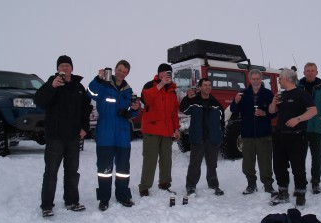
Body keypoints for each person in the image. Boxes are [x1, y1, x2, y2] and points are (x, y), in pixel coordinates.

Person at [35, 55, 91, 217]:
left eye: (67, 65)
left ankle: (72, 201)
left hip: (73, 137)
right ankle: (47, 205)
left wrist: (84, 128)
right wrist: (51, 87)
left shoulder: (79, 87)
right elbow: (39, 100)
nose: (64, 68)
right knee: (51, 172)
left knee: (72, 172)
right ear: (57, 68)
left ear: (72, 68)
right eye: (62, 65)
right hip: (55, 137)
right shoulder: (51, 84)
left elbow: (86, 110)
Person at [87, 60, 139, 211]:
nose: (121, 73)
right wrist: (98, 79)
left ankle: (123, 196)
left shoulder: (128, 90)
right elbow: (90, 93)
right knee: (104, 170)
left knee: (123, 170)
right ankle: (104, 199)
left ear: (127, 73)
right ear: (115, 69)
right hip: (105, 133)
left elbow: (132, 111)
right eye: (120, 70)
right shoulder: (103, 85)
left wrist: (134, 109)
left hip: (122, 134)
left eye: (125, 71)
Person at [268, 68, 317, 206]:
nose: (278, 81)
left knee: (298, 167)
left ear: (287, 79)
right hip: (279, 136)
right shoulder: (280, 95)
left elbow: (313, 111)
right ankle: (283, 193)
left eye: (280, 79)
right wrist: (273, 102)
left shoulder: (302, 94)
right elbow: (272, 111)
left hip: (297, 137)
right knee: (279, 166)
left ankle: (300, 193)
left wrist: (298, 119)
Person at [230, 69, 276, 195]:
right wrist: (236, 101)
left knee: (265, 163)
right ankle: (251, 184)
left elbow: (274, 113)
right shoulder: (243, 94)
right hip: (247, 135)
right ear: (249, 80)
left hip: (264, 135)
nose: (256, 81)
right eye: (253, 79)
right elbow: (234, 110)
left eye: (258, 79)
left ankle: (268, 185)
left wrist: (264, 113)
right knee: (248, 164)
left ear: (261, 79)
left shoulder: (268, 94)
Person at [138, 63, 180, 197]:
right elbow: (146, 100)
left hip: (167, 132)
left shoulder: (173, 90)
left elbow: (174, 112)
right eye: (166, 72)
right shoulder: (150, 85)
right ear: (159, 73)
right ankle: (144, 187)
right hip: (152, 130)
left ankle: (165, 184)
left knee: (166, 160)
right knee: (150, 159)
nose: (168, 75)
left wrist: (176, 129)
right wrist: (160, 85)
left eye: (170, 73)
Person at [179, 78, 225, 196]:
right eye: (205, 85)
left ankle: (214, 185)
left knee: (212, 164)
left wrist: (220, 134)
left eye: (209, 85)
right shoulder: (193, 101)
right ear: (200, 87)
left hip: (212, 139)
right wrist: (186, 98)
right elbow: (183, 109)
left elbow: (222, 119)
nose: (208, 87)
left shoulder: (215, 103)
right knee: (195, 164)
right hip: (197, 138)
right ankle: (191, 186)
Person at [297, 63, 321, 194]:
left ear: (317, 72)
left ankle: (315, 182)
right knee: (300, 156)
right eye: (308, 71)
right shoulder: (298, 87)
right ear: (304, 72)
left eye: (312, 71)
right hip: (301, 127)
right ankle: (300, 181)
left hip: (317, 127)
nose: (310, 73)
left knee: (316, 156)